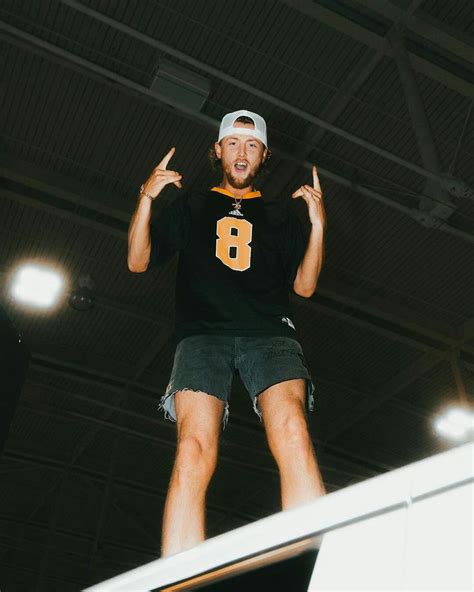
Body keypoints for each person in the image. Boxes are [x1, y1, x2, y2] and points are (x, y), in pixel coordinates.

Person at [127, 110, 326, 557]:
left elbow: (305, 286)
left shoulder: (278, 215)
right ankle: (180, 574)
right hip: (202, 335)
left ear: (263, 156)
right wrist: (146, 198)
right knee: (193, 449)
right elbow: (138, 261)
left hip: (269, 333)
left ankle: (313, 557)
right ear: (218, 151)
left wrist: (318, 227)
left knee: (293, 428)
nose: (242, 152)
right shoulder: (192, 204)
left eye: (252, 145)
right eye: (233, 143)